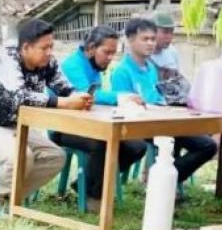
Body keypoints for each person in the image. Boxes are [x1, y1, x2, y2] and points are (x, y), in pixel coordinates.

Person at [0, 18, 92, 199]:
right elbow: (20, 98)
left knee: (55, 157)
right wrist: (64, 103)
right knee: (21, 156)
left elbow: (65, 88)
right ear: (26, 47)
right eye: (44, 48)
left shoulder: (48, 63)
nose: (49, 52)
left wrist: (78, 97)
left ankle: (10, 197)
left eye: (51, 47)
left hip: (20, 126)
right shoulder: (7, 58)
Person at [111, 17, 217, 190]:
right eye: (145, 39)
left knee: (208, 145)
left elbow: (157, 97)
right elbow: (122, 108)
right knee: (179, 141)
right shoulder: (122, 72)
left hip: (164, 121)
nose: (151, 43)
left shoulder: (151, 68)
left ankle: (164, 182)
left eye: (153, 39)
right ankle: (163, 185)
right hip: (141, 126)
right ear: (130, 40)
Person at [51, 25, 149, 202]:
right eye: (107, 52)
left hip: (88, 124)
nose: (111, 58)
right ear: (90, 49)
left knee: (137, 146)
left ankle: (86, 183)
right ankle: (93, 196)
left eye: (114, 53)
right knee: (102, 142)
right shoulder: (72, 65)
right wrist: (121, 97)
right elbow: (86, 96)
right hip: (63, 127)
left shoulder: (95, 68)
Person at [150, 8, 191, 105]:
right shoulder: (142, 55)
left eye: (171, 32)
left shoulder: (172, 52)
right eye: (165, 32)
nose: (169, 37)